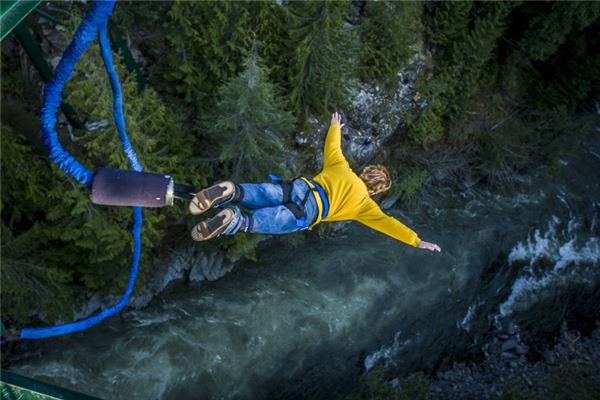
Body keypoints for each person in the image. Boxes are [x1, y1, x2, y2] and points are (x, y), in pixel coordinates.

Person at [189, 112, 441, 252]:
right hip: (310, 211)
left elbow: (333, 145)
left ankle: (232, 191)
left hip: (301, 187)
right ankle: (234, 220)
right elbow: (388, 225)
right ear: (375, 191)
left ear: (365, 172)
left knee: (266, 192)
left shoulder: (341, 166)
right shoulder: (365, 206)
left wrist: (335, 126)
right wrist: (416, 240)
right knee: (261, 221)